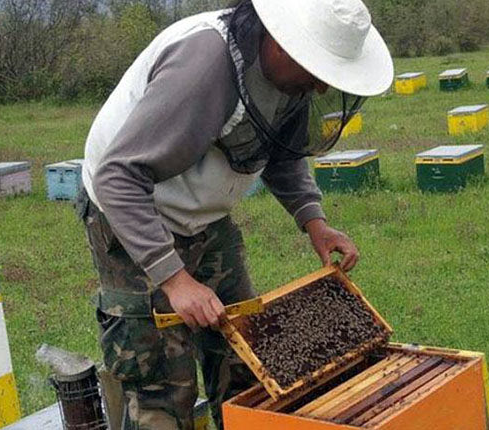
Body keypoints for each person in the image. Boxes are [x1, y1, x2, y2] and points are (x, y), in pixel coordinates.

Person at [76, 0, 393, 428]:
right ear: (282, 45)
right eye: (318, 72)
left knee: (244, 358)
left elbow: (283, 151)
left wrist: (314, 222)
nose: (320, 89)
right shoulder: (204, 66)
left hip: (205, 218)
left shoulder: (287, 78)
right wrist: (175, 278)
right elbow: (119, 176)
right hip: (133, 211)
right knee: (161, 388)